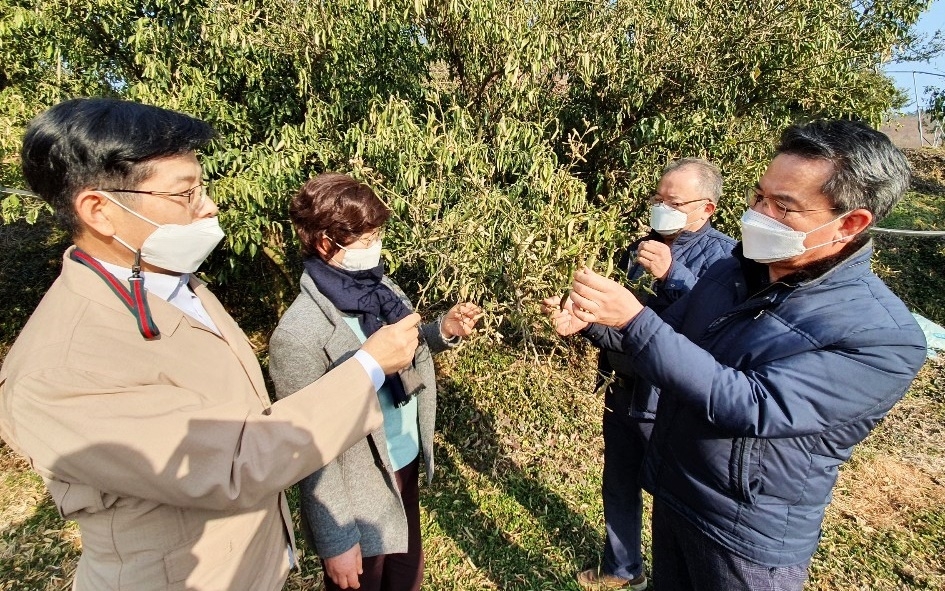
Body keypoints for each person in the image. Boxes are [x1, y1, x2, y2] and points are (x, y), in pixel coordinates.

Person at [0, 98, 421, 591]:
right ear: (100, 209)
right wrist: (368, 366)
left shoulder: (178, 286)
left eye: (202, 187)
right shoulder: (59, 370)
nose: (209, 205)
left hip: (256, 566)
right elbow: (237, 459)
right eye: (185, 194)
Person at [547, 119, 927, 591]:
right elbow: (669, 342)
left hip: (744, 536)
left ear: (849, 223)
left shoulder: (881, 336)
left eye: (783, 206)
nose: (761, 215)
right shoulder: (735, 271)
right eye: (759, 197)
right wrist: (596, 325)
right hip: (677, 492)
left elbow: (751, 404)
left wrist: (632, 319)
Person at [268, 173, 482, 591]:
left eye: (376, 233)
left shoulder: (380, 287)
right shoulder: (298, 334)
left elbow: (402, 347)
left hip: (402, 461)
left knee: (405, 578)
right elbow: (308, 449)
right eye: (364, 237)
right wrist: (336, 540)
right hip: (358, 487)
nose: (374, 245)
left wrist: (444, 331)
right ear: (326, 243)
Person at [574, 158, 735, 590]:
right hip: (623, 388)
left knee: (673, 499)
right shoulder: (640, 245)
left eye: (674, 201)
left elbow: (711, 333)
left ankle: (676, 576)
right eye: (658, 198)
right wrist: (586, 322)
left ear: (707, 209)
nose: (662, 207)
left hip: (667, 402)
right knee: (619, 482)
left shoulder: (725, 259)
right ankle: (622, 568)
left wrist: (671, 274)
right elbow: (624, 326)